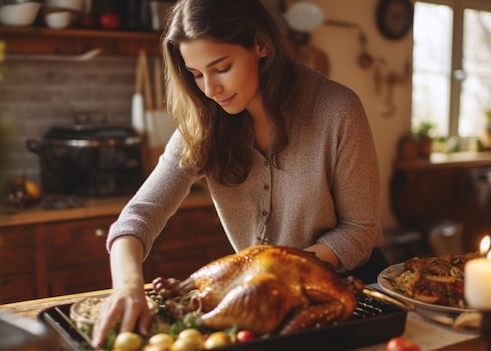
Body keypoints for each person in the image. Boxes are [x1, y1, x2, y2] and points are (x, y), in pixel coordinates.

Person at [91, 0, 387, 347]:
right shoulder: (204, 122)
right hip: (265, 303)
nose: (209, 89)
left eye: (222, 67)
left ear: (260, 44)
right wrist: (128, 289)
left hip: (350, 294)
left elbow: (360, 230)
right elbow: (140, 215)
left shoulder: (337, 109)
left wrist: (269, 275)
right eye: (197, 74)